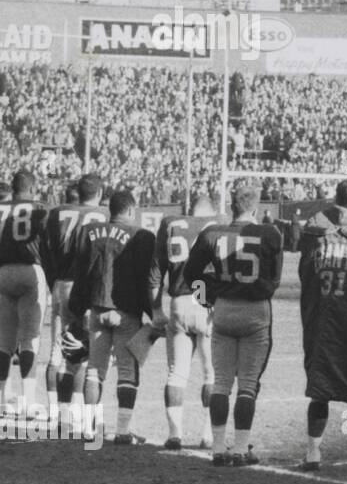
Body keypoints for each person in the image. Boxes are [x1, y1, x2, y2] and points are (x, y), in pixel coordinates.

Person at [182, 183, 283, 466]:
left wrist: (208, 298)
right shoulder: (271, 233)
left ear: (231, 206)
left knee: (222, 384)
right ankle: (239, 448)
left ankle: (217, 448)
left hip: (224, 309)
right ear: (255, 207)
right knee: (248, 384)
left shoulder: (212, 233)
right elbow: (273, 281)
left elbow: (190, 274)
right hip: (255, 311)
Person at [68, 187, 159, 444]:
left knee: (95, 370)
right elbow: (147, 279)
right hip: (125, 312)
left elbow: (81, 274)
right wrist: (151, 314)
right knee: (127, 372)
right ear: (130, 209)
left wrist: (79, 308)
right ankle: (122, 430)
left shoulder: (89, 231)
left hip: (96, 309)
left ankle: (90, 429)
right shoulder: (142, 236)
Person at [298, 178, 347, 472]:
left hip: (322, 315)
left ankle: (313, 452)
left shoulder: (315, 230)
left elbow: (306, 273)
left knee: (321, 387)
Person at [154, 194, 220, 450]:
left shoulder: (172, 223)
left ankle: (175, 434)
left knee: (176, 373)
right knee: (211, 373)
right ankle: (208, 435)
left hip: (179, 301)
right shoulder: (217, 225)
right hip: (203, 300)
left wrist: (155, 308)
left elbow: (156, 270)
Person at [43, 174, 107, 431]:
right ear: (100, 193)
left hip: (63, 283)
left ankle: (60, 413)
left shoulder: (57, 213)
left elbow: (45, 252)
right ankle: (79, 413)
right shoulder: (103, 214)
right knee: (86, 351)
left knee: (60, 350)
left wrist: (53, 283)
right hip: (90, 287)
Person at [0, 170, 52, 418]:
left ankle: (1, 401)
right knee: (30, 339)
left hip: (2, 272)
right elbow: (49, 244)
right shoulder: (40, 208)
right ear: (31, 188)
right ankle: (29, 401)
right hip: (31, 271)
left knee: (3, 341)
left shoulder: (1, 208)